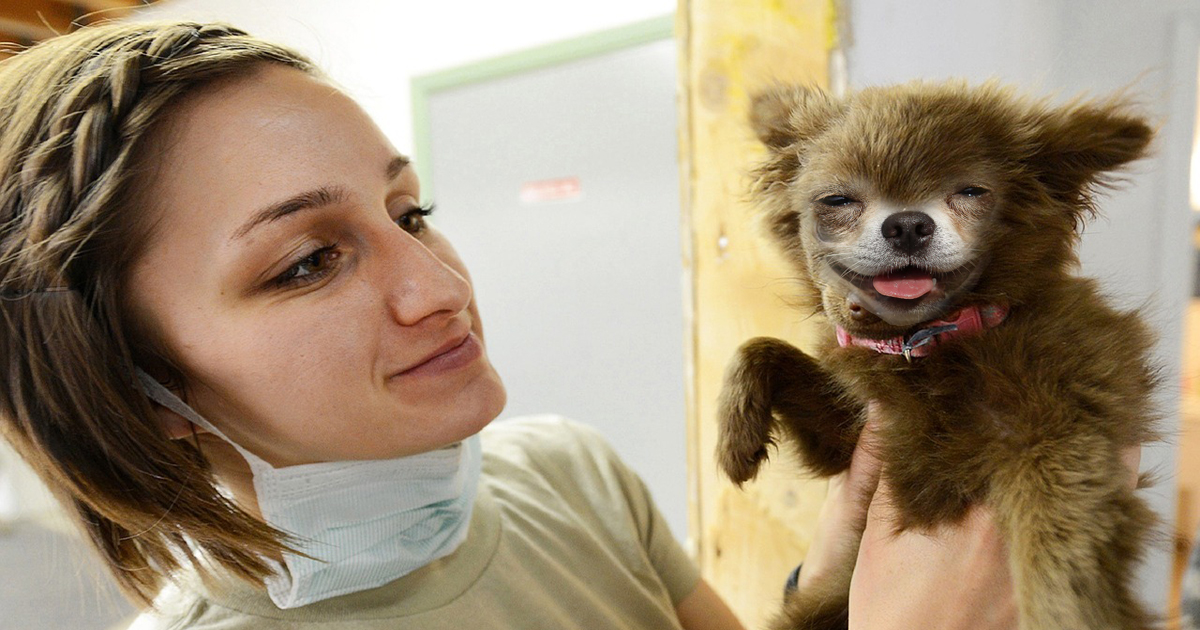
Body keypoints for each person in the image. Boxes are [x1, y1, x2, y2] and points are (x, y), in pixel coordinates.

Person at [0, 20, 1023, 630]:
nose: (438, 285)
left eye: (411, 215)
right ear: (134, 387)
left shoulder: (571, 477)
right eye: (308, 262)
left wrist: (833, 590)